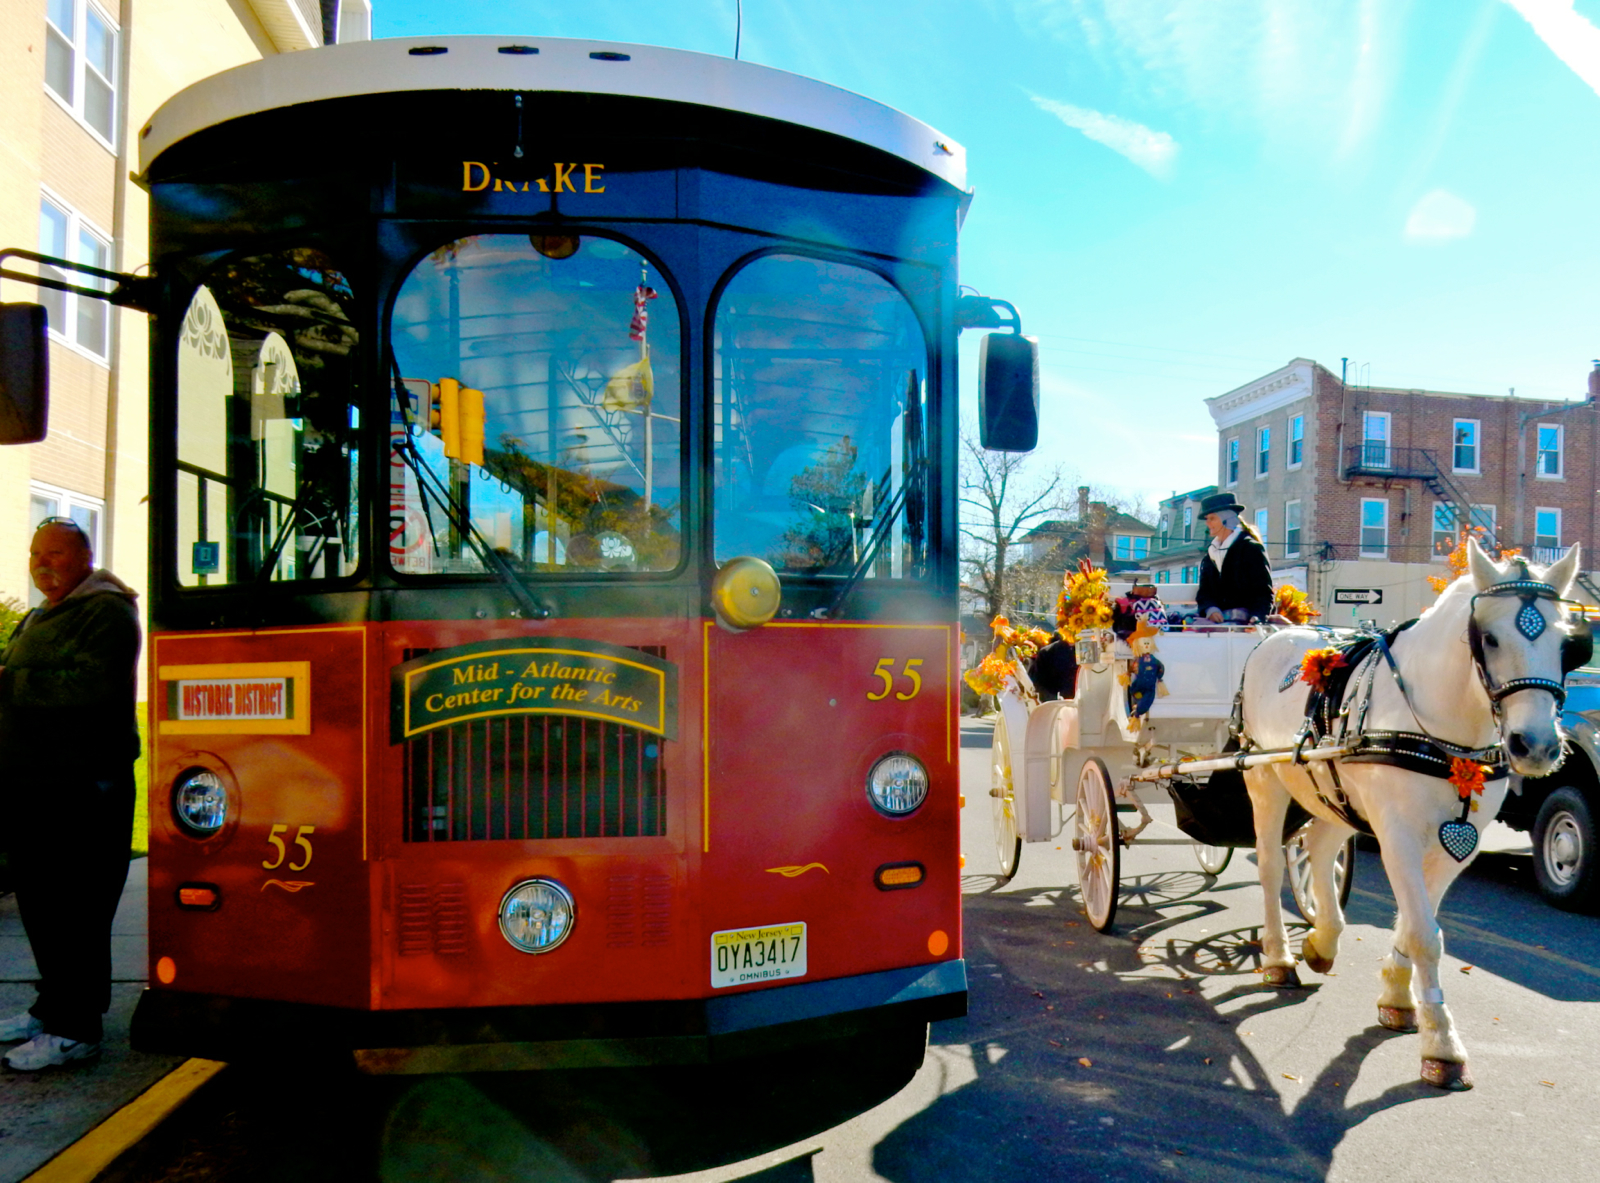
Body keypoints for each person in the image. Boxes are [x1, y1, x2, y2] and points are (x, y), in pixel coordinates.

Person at [0, 518, 141, 1070]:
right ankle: (50, 1010)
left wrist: (8, 681)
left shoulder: (105, 611)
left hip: (83, 787)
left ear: (84, 557)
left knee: (76, 910)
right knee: (43, 906)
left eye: (55, 554)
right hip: (35, 784)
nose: (43, 564)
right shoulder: (44, 612)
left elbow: (92, 686)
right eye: (36, 554)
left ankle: (77, 1029)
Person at [1194, 492, 1274, 624]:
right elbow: (1204, 591)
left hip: (1246, 620)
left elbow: (1263, 591)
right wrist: (1210, 609)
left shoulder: (1250, 549)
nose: (1207, 523)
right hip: (1218, 620)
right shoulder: (1211, 553)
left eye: (1212, 518)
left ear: (1226, 519)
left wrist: (1257, 617)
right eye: (1207, 519)